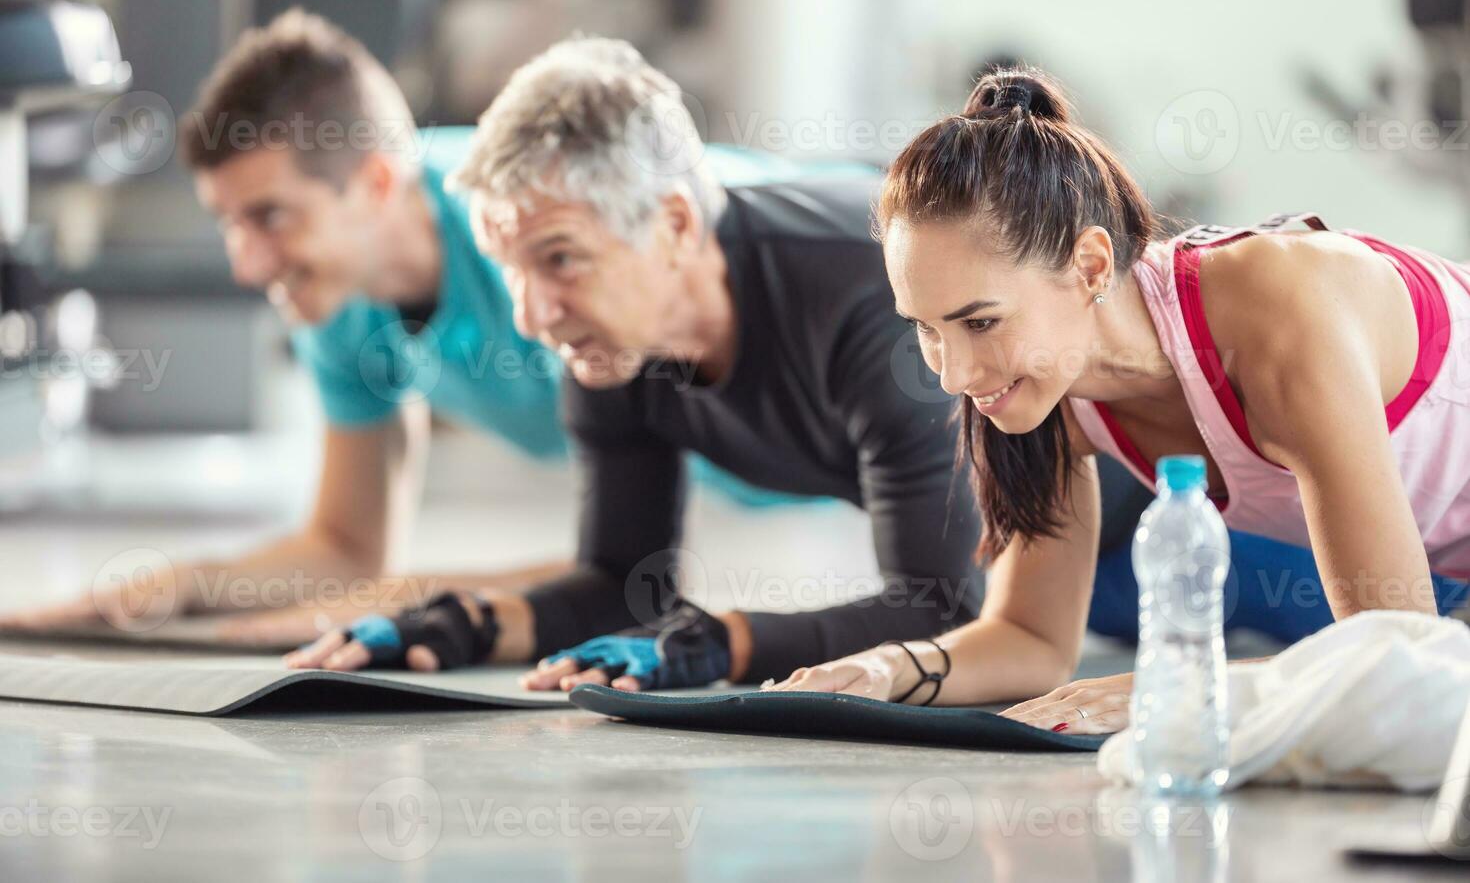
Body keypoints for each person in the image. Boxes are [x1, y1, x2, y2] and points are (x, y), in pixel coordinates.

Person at [287, 39, 1163, 688]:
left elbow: (942, 607)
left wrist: (719, 645)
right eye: (508, 269)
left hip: (1165, 526)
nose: (531, 312)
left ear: (672, 223)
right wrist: (462, 626)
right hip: (1054, 590)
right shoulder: (612, 344)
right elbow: (626, 585)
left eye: (558, 260)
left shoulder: (869, 296)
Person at [0, 11, 819, 645]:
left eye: (271, 217)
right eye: (230, 224)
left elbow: (620, 578)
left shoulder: (537, 246)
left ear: (375, 182)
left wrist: (391, 605)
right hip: (783, 471)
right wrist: (169, 589)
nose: (247, 265)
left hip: (844, 335)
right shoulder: (340, 303)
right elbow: (348, 548)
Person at [769, 67, 1470, 732]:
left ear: (1091, 267)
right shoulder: (1047, 391)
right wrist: (892, 667)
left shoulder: (1281, 316)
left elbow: (1394, 655)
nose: (953, 375)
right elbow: (1031, 637)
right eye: (927, 329)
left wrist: (1167, 689)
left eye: (980, 322)